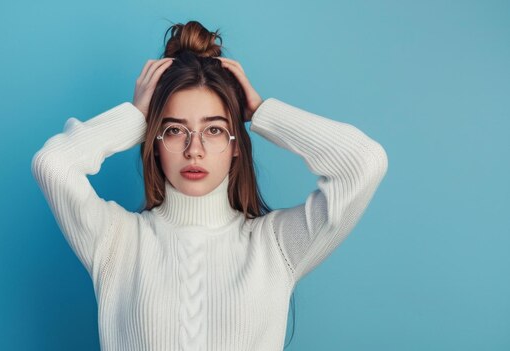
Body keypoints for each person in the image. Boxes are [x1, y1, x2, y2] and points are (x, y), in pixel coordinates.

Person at [31, 20, 388, 351]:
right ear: (154, 142)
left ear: (236, 145)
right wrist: (135, 116)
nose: (194, 149)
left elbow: (363, 162)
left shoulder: (276, 245)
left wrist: (263, 112)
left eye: (214, 129)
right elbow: (53, 165)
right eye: (174, 130)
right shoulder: (115, 240)